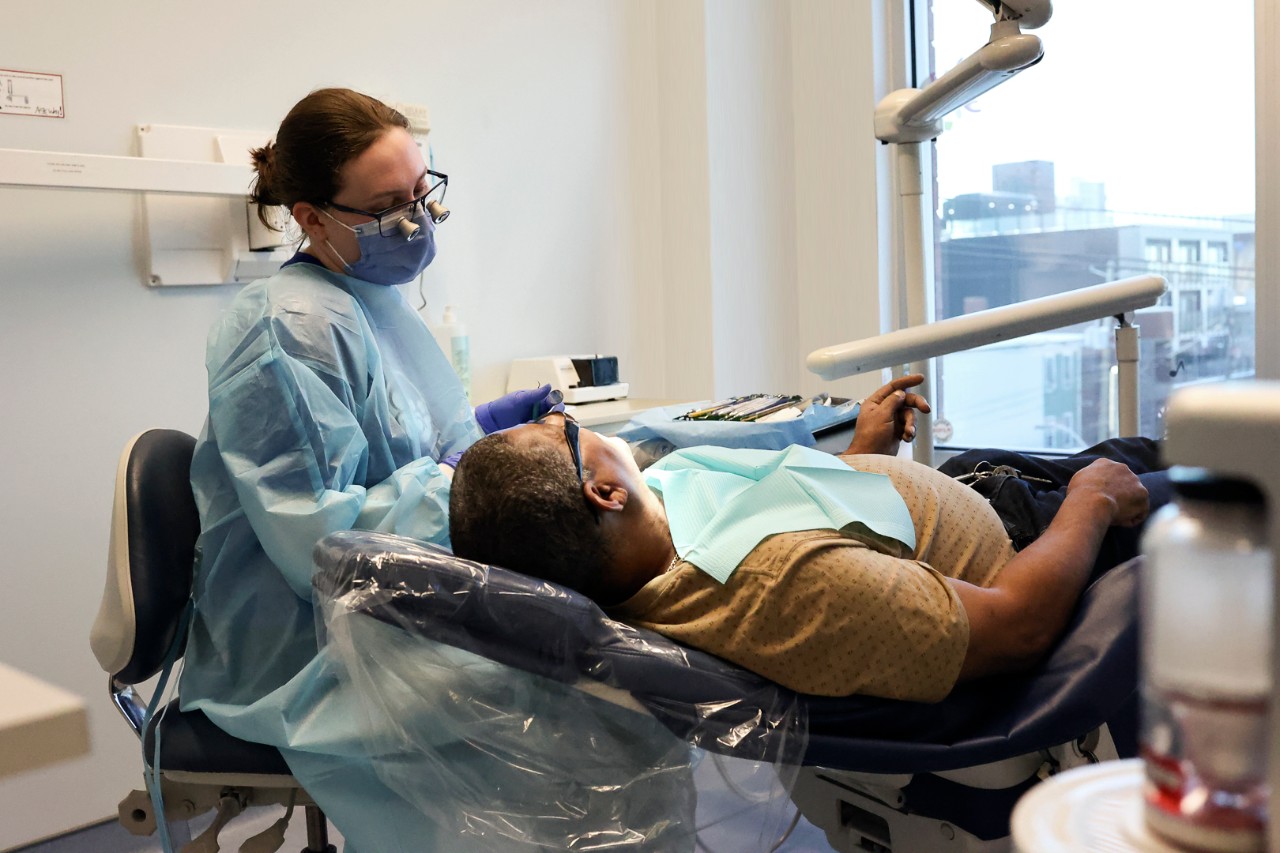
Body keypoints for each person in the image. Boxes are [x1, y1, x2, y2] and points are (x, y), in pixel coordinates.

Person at [178, 88, 559, 850]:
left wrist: (490, 437)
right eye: (388, 207)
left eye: (423, 193)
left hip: (401, 590)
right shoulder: (283, 331)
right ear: (313, 216)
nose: (416, 222)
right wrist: (483, 483)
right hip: (309, 639)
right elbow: (323, 541)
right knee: (550, 692)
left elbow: (411, 441)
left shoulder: (368, 298)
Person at [448, 374, 1168, 705]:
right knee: (1229, 481)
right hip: (1044, 551)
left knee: (1154, 444)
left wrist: (859, 455)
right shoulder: (782, 586)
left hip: (982, 493)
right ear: (602, 493)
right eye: (567, 429)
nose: (580, 420)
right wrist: (1093, 498)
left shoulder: (649, 529)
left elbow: (766, 508)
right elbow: (1017, 625)